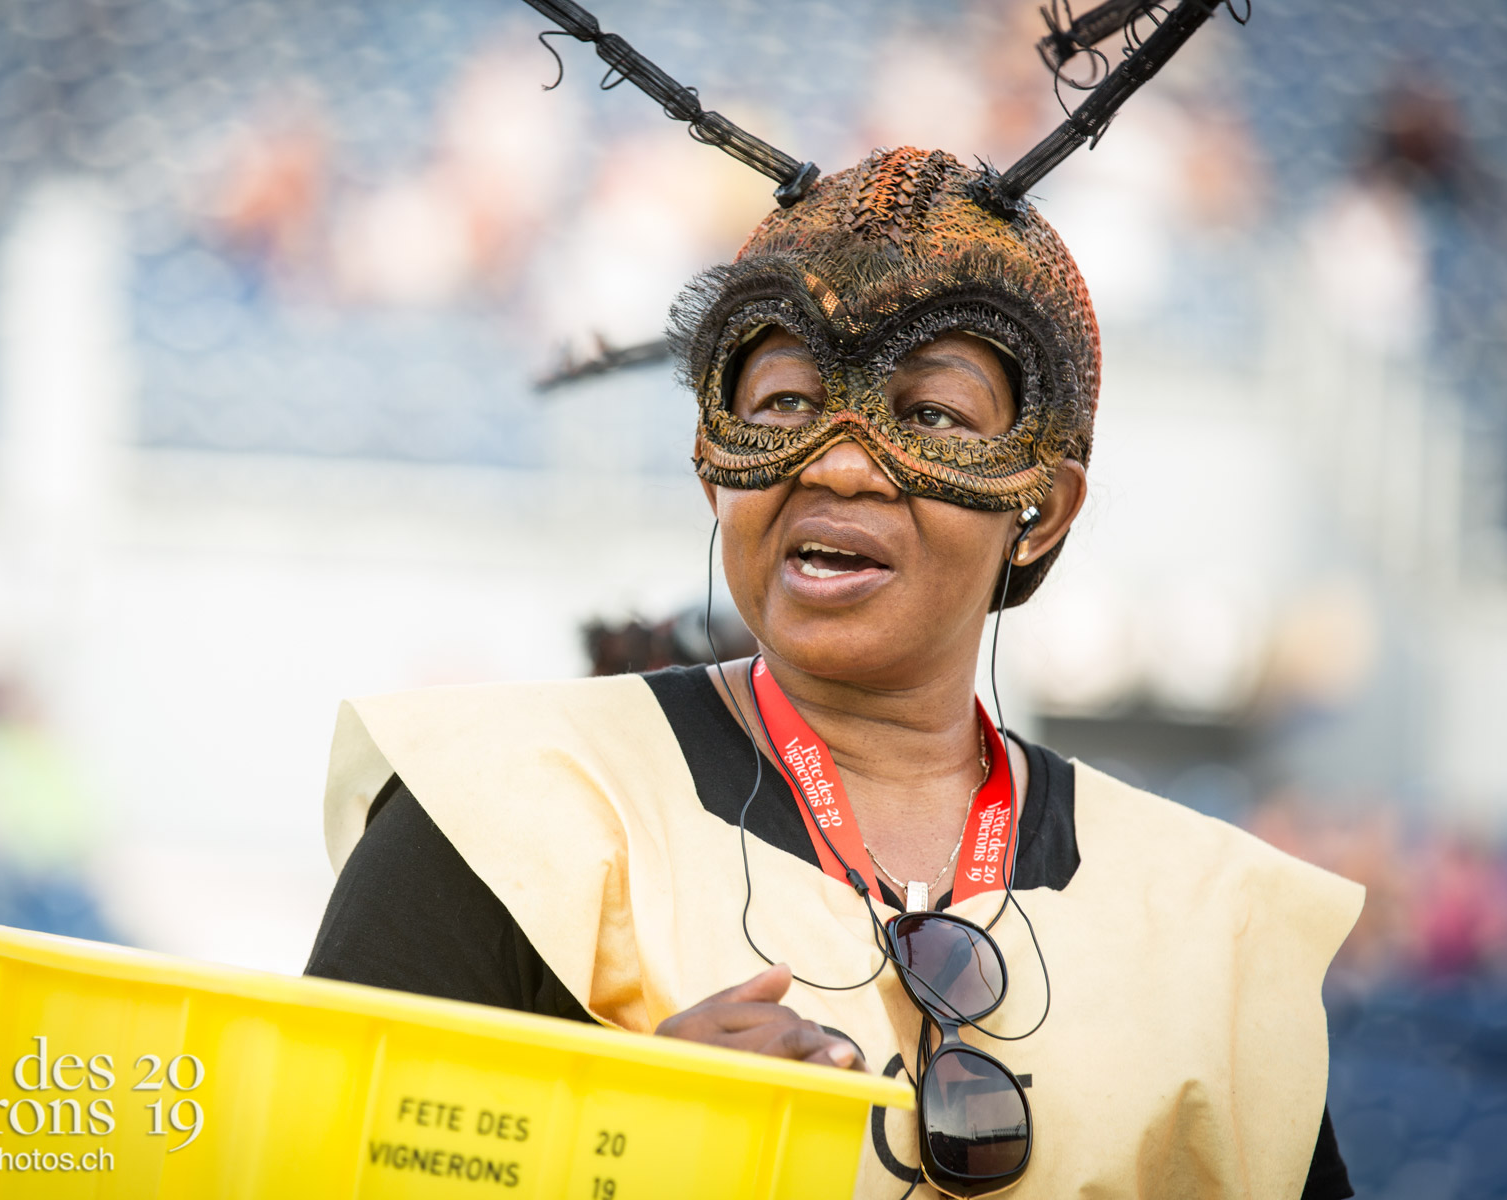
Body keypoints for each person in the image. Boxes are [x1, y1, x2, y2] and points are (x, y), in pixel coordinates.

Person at [307, 148, 1362, 1199]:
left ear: (1041, 510)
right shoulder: (505, 813)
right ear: (710, 463)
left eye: (931, 417)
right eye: (783, 405)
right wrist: (620, 1150)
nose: (838, 462)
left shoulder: (1220, 931)